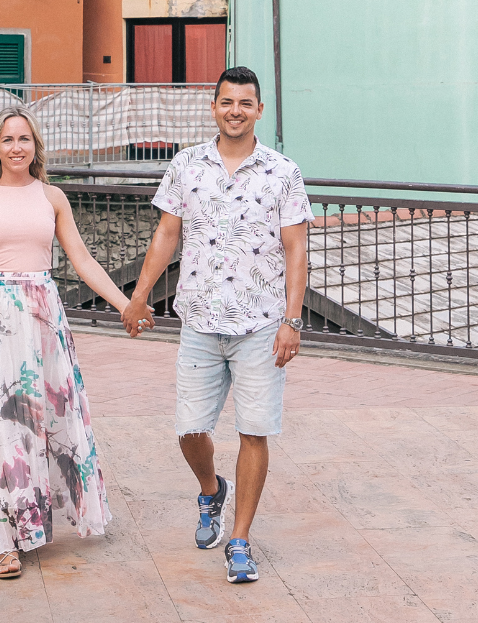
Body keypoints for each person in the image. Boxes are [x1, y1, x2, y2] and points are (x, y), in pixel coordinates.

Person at [0, 107, 139, 579]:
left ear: (36, 145)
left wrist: (125, 304)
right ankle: (2, 543)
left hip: (42, 319)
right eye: (7, 140)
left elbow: (81, 258)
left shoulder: (52, 197)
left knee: (43, 422)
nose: (16, 147)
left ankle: (31, 523)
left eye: (24, 139)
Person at [122, 66, 312, 585]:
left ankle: (240, 539)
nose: (235, 111)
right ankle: (210, 489)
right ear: (214, 107)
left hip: (261, 324)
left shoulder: (283, 172)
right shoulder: (186, 166)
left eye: (245, 103)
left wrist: (292, 320)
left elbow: (296, 250)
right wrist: (139, 298)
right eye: (226, 102)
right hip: (200, 322)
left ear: (259, 110)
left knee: (254, 431)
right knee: (189, 429)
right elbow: (166, 234)